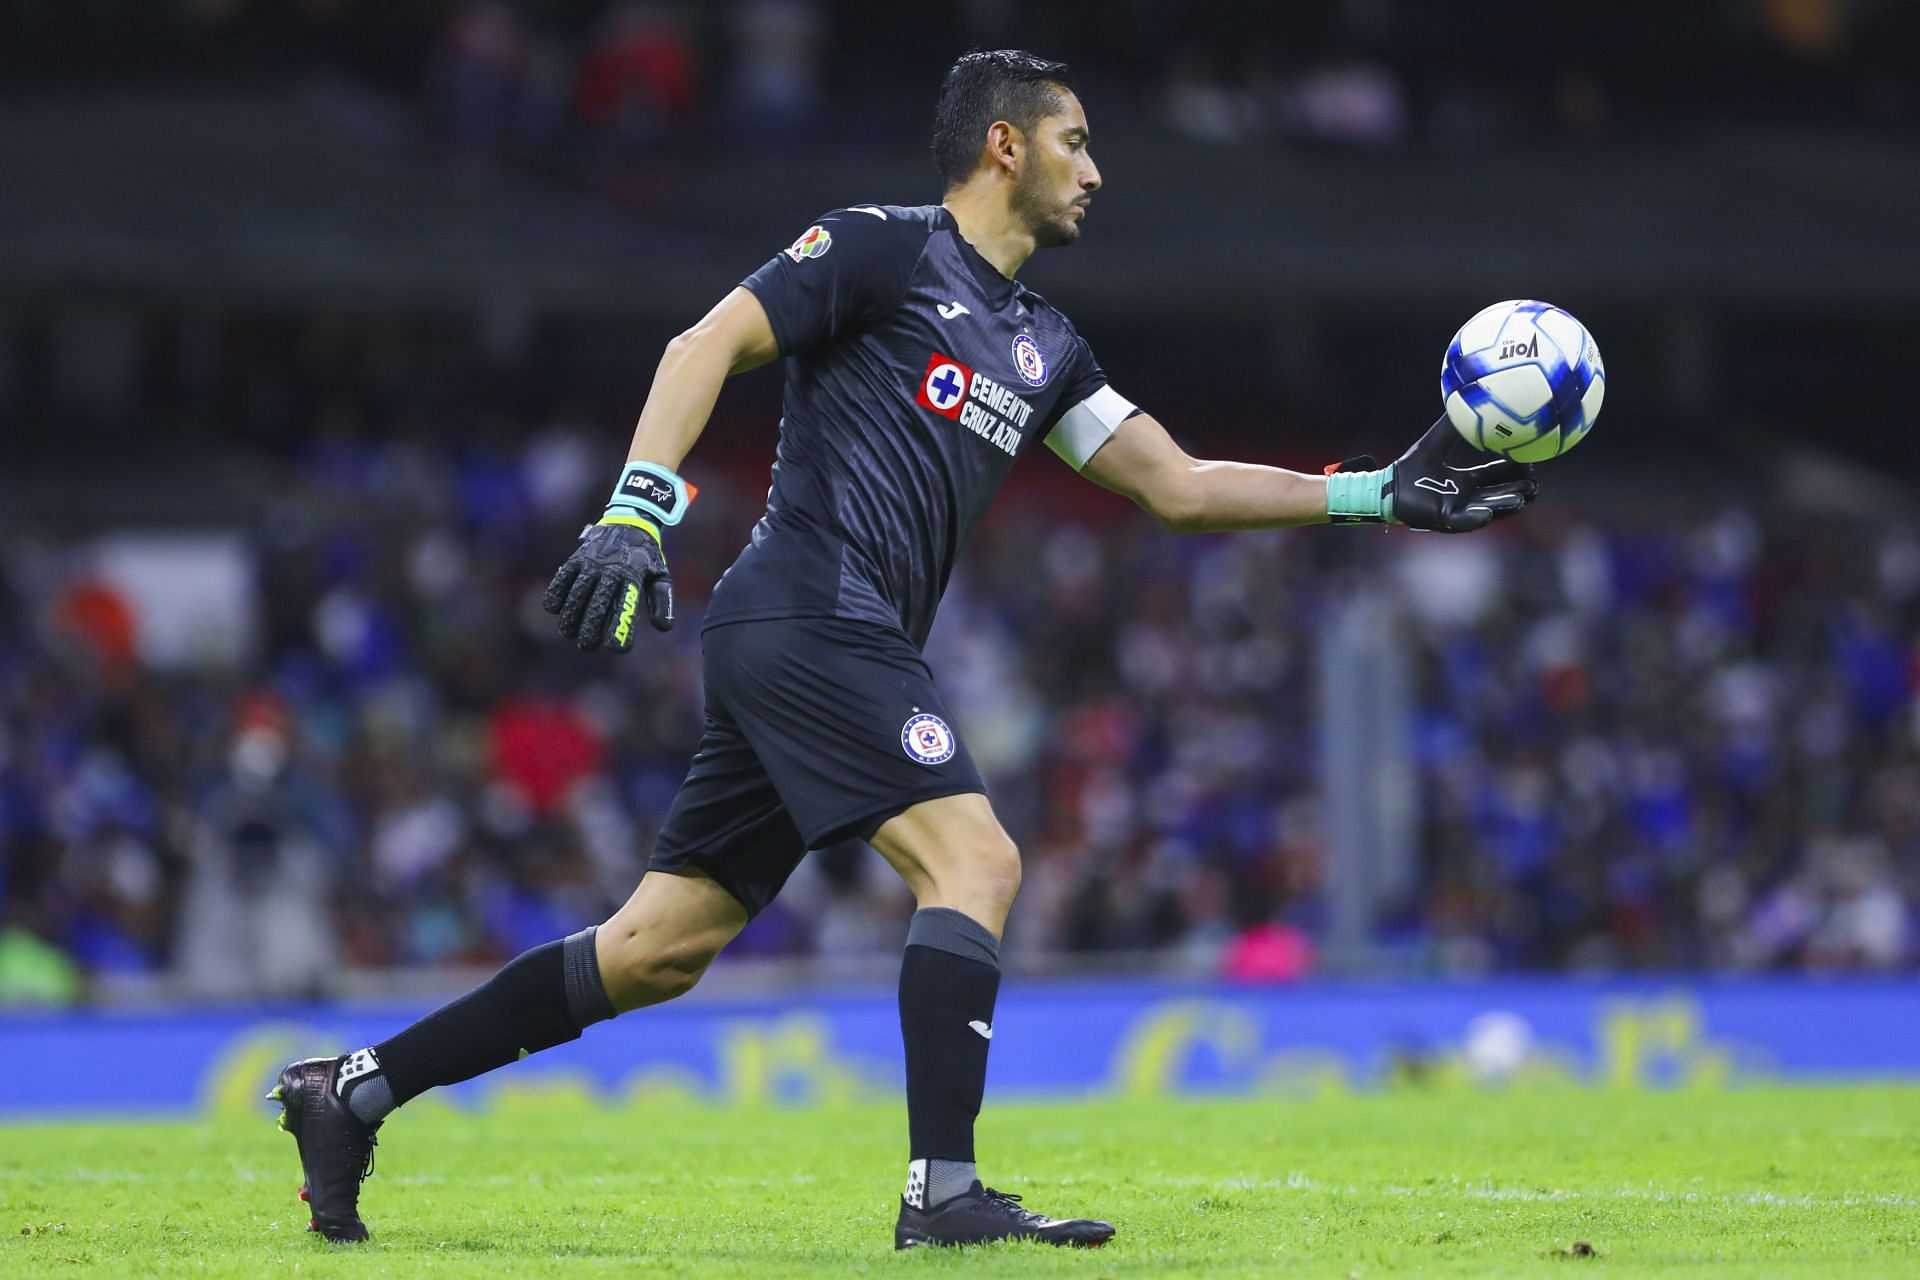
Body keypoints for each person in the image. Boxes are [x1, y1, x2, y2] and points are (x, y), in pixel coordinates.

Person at [271, 48, 1536, 1251]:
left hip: (829, 636)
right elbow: (700, 342)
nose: (1095, 170)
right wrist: (635, 509)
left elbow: (1180, 484)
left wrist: (1373, 494)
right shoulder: (879, 249)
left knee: (656, 947)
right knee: (974, 857)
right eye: (1074, 141)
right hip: (809, 609)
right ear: (1003, 146)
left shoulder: (1048, 346)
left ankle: (355, 1088)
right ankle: (945, 1191)